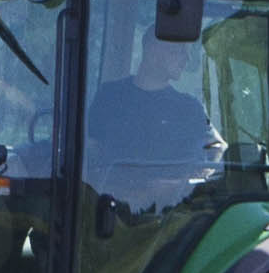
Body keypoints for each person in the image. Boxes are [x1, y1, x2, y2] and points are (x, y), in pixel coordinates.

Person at [81, 13, 222, 212]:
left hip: (171, 213)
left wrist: (184, 184)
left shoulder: (190, 108)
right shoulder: (110, 96)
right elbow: (90, 150)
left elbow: (217, 148)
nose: (186, 58)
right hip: (112, 208)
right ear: (153, 49)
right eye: (179, 51)